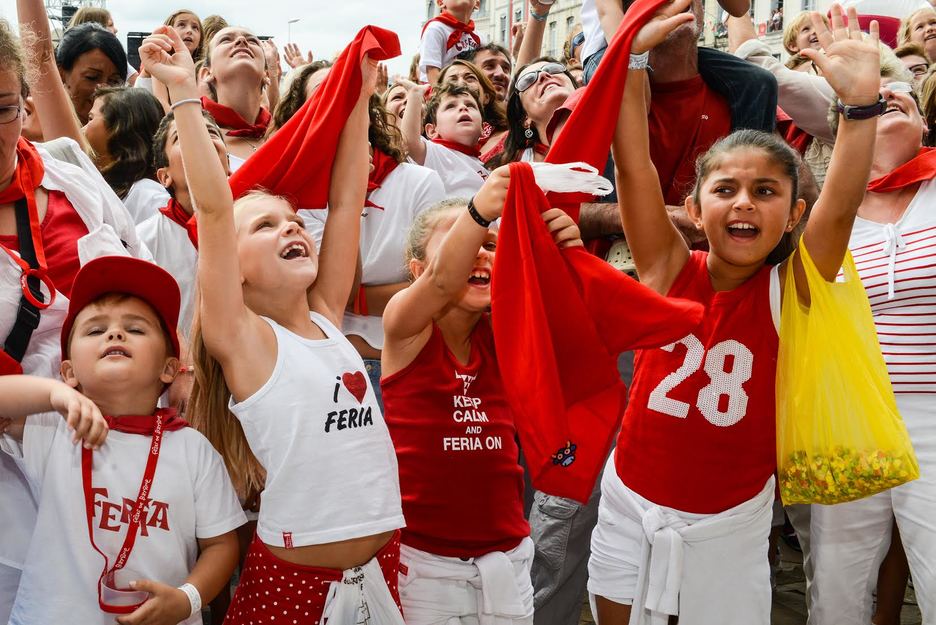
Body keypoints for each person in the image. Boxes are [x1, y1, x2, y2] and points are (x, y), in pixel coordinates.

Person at [587, 4, 880, 625]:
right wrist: (632, 57)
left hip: (730, 523)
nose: (744, 202)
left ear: (795, 214)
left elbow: (841, 207)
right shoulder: (667, 269)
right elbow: (632, 160)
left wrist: (859, 108)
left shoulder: (792, 288)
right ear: (694, 209)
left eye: (766, 191)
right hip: (628, 505)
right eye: (725, 189)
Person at [139, 24, 406, 623]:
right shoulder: (247, 341)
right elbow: (211, 207)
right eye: (264, 225)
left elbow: (344, 200)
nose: (290, 227)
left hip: (381, 574)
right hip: (294, 588)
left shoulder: (328, 319)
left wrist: (360, 98)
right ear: (231, 270)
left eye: (291, 221)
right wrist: (184, 91)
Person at [379, 169, 582, 623]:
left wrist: (566, 252)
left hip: (508, 559)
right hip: (426, 566)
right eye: (461, 241)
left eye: (490, 245)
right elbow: (440, 284)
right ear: (416, 268)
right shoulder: (406, 328)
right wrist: (478, 213)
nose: (478, 252)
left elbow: (572, 318)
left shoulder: (505, 334)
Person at [0, 256, 245, 625]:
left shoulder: (194, 450)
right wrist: (53, 395)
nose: (115, 334)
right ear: (68, 371)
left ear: (168, 368)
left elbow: (223, 544)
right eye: (95, 331)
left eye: (136, 328)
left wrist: (187, 599)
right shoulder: (54, 428)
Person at [0, 19, 148, 621]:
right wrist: (53, 399)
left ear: (26, 102)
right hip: (14, 485)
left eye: (3, 107)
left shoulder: (69, 175)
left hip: (121, 456)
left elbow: (142, 280)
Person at [807, 65, 936, 625]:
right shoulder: (826, 211)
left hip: (932, 414)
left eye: (901, 96)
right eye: (868, 101)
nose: (887, 97)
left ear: (925, 123)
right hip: (849, 420)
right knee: (836, 589)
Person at [300, 98, 445, 408]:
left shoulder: (419, 181)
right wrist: (349, 195)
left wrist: (355, 300)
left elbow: (435, 288)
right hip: (328, 369)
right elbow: (328, 293)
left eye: (349, 99)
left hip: (407, 367)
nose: (336, 107)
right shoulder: (301, 194)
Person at [135, 110, 230, 339]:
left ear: (228, 163)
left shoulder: (258, 222)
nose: (201, 140)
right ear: (164, 176)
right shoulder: (143, 242)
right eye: (182, 136)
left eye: (210, 132)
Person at [82, 86, 169, 224]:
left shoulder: (149, 196)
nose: (82, 130)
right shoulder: (97, 186)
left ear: (118, 129)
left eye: (90, 119)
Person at [200, 27, 271, 170]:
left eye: (252, 41)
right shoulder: (196, 136)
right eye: (226, 40)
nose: (242, 40)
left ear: (266, 74)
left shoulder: (286, 132)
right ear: (206, 73)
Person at [401, 82, 488, 197]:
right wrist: (415, 95)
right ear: (432, 131)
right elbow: (409, 142)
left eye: (471, 105)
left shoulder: (487, 168)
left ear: (483, 128)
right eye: (451, 106)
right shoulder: (434, 152)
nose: (463, 107)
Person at [55, 23, 127, 124]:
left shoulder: (128, 134)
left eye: (114, 81)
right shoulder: (35, 132)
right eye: (92, 77)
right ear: (60, 74)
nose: (104, 89)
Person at [437, 59, 508, 160]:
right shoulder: (428, 150)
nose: (461, 84)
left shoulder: (511, 139)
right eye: (452, 80)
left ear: (486, 97)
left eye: (470, 78)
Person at [419, 0, 483, 84]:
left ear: (477, 4)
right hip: (443, 88)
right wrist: (441, 95)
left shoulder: (479, 36)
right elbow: (432, 69)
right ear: (441, 2)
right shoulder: (435, 28)